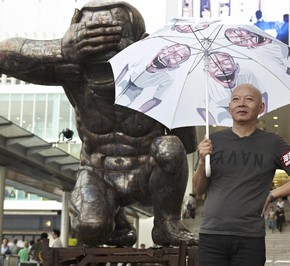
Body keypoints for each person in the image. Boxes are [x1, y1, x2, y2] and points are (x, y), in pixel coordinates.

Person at [0, 1, 197, 248]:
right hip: (98, 172)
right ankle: (115, 222)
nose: (105, 61)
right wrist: (59, 47)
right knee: (90, 228)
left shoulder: (165, 76)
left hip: (146, 173)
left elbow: (185, 145)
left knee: (169, 146)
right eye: (93, 45)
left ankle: (167, 222)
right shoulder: (72, 70)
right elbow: (4, 56)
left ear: (142, 43)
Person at [193, 84, 290, 266]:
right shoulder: (212, 142)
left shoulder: (274, 143)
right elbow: (198, 189)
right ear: (229, 107)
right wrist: (202, 161)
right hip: (212, 234)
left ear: (261, 108)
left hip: (250, 236)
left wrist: (273, 195)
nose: (241, 103)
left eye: (249, 99)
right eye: (235, 99)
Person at [116, 43, 192, 113]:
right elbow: (126, 67)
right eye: (171, 50)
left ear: (176, 66)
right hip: (126, 75)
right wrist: (115, 83)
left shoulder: (169, 76)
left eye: (177, 57)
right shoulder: (147, 52)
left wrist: (138, 113)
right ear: (164, 48)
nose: (168, 56)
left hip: (135, 89)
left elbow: (157, 99)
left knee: (121, 107)